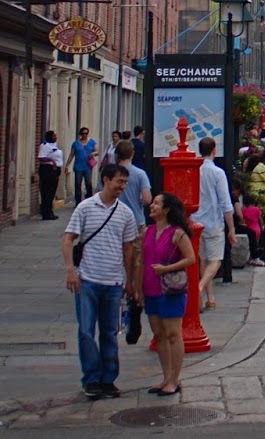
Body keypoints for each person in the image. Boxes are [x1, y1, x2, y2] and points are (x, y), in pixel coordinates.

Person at [61, 163, 138, 400]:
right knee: (86, 331)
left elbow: (129, 249)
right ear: (106, 180)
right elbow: (68, 239)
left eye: (124, 183)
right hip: (87, 280)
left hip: (113, 282)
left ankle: (108, 379)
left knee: (109, 332)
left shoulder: (125, 213)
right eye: (118, 182)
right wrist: (70, 270)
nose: (121, 187)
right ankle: (91, 378)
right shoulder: (85, 208)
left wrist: (130, 280)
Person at [141, 192, 197, 395]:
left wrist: (167, 268)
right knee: (159, 335)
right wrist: (137, 286)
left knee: (173, 334)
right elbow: (142, 260)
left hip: (170, 289)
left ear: (166, 209)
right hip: (150, 287)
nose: (152, 206)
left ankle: (175, 379)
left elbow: (190, 258)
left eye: (156, 203)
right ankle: (165, 377)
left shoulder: (177, 233)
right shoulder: (147, 231)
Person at [193, 137, 237, 312]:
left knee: (203, 260)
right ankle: (201, 286)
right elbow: (226, 203)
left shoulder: (195, 170)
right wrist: (231, 228)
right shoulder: (218, 173)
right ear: (214, 150)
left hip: (196, 220)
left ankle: (210, 298)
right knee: (216, 261)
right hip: (213, 221)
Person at [114, 140, 152, 232]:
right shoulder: (140, 174)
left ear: (117, 154)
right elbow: (147, 199)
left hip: (114, 220)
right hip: (136, 220)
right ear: (132, 153)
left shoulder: (110, 172)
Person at [37, 130, 64, 220]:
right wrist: (51, 161)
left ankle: (50, 211)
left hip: (55, 170)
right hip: (48, 170)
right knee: (47, 192)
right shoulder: (45, 146)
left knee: (52, 192)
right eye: (53, 136)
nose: (55, 137)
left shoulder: (54, 146)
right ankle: (46, 212)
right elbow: (41, 157)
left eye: (55, 136)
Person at [70, 127, 98, 204]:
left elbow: (97, 151)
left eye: (86, 133)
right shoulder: (76, 143)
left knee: (88, 183)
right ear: (80, 134)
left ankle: (89, 199)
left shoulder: (92, 142)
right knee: (78, 184)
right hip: (78, 166)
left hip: (88, 166)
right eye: (83, 133)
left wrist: (93, 153)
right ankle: (78, 201)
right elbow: (71, 155)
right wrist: (67, 165)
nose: (85, 135)